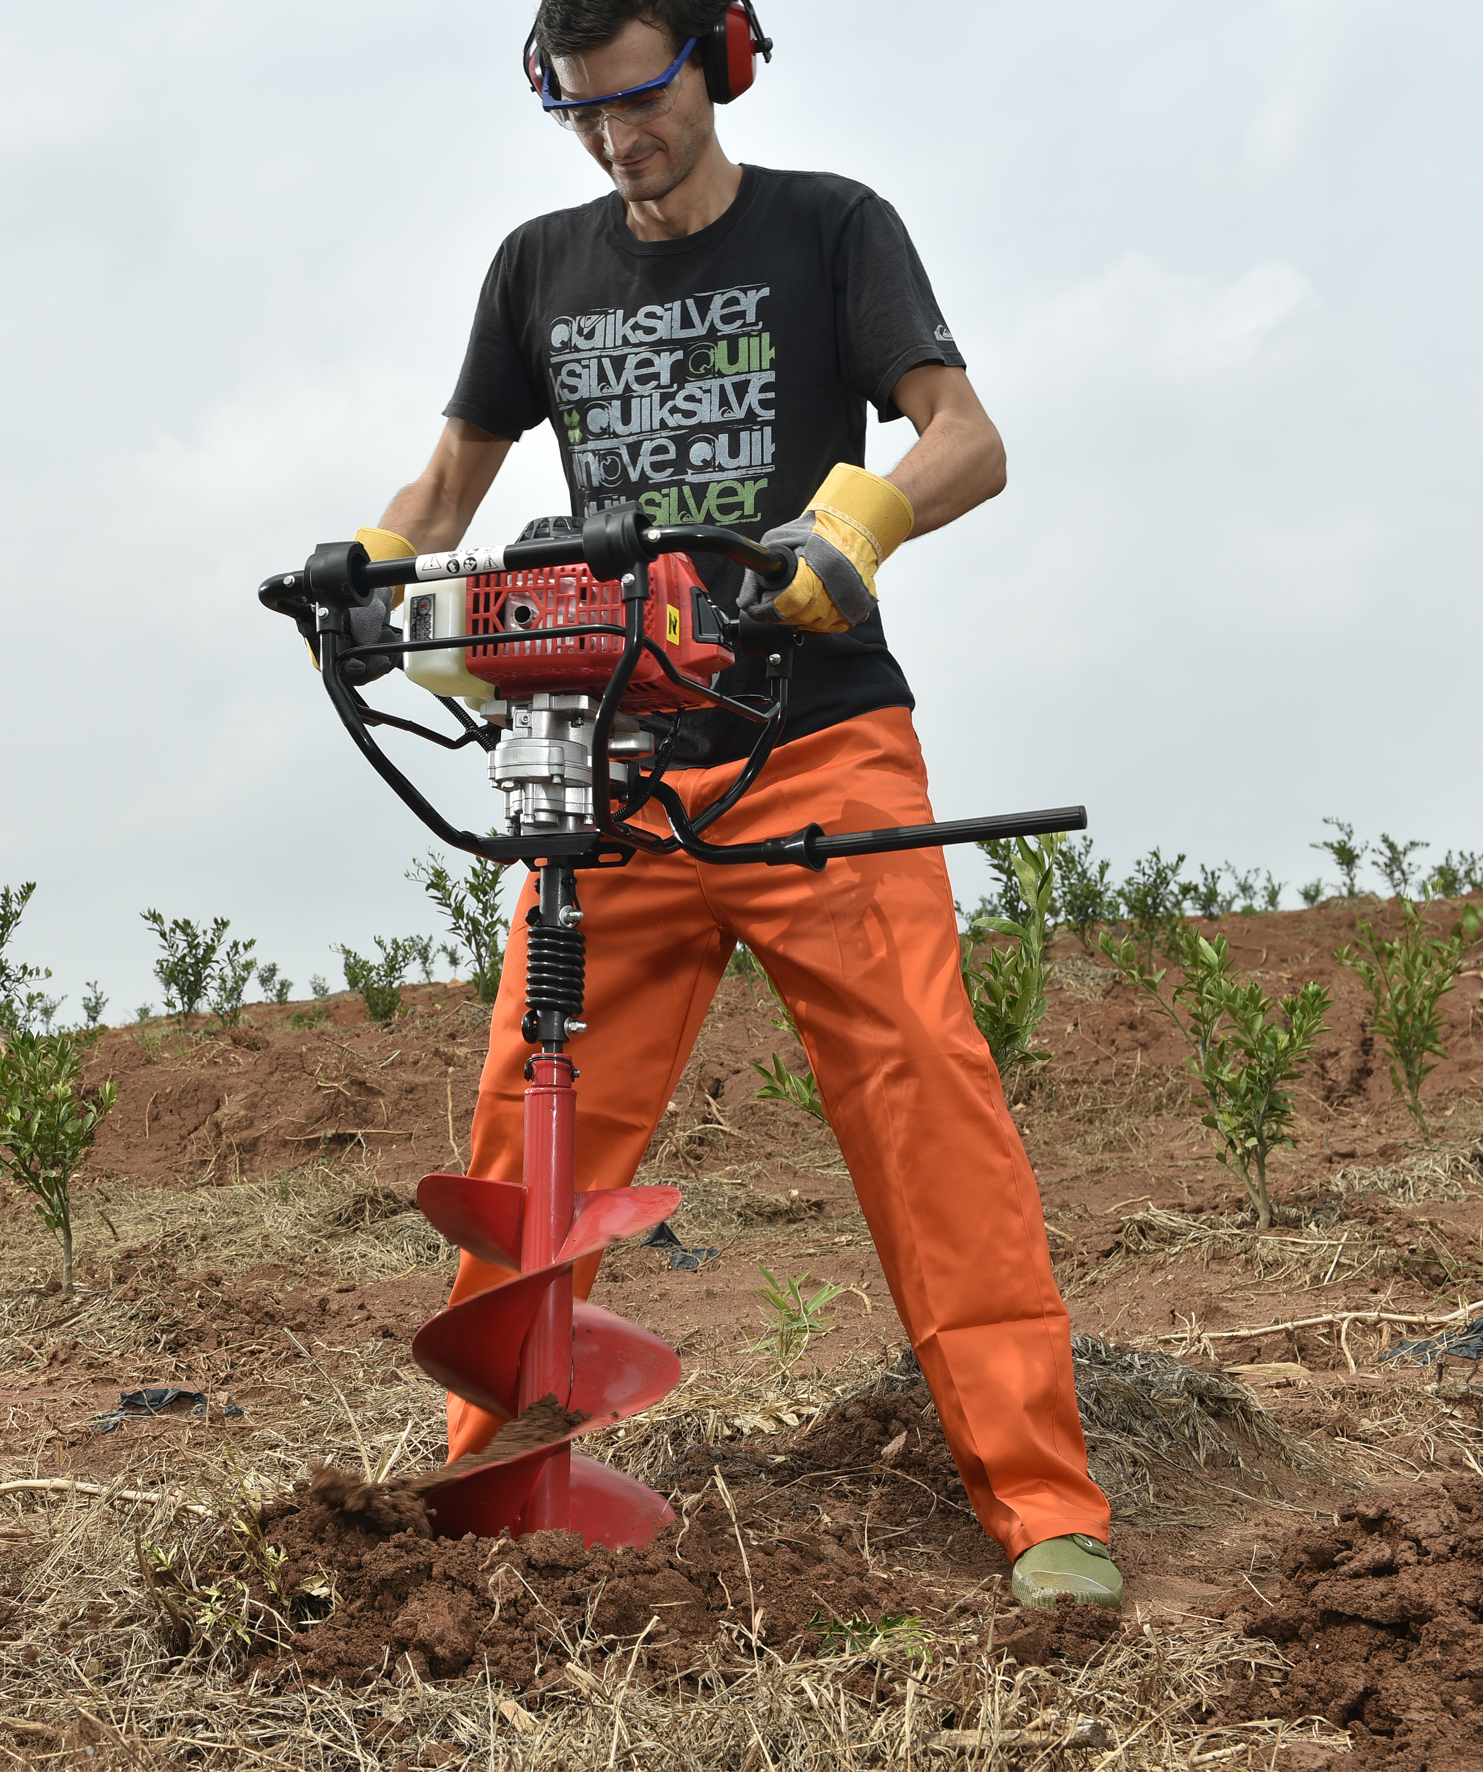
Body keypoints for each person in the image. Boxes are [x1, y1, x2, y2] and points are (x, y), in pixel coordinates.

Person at [354, 0, 1121, 1611]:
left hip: (818, 747)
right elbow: (446, 492)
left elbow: (965, 440)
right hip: (611, 774)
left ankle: (1047, 1509)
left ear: (720, 62)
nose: (614, 142)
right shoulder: (535, 268)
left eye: (638, 101)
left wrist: (858, 534)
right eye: (578, 114)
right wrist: (357, 580)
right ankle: (500, 1479)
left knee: (927, 1105)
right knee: (528, 1125)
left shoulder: (833, 228)